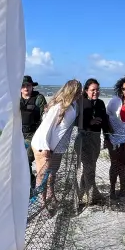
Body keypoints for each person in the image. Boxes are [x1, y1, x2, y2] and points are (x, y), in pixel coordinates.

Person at [31, 79, 82, 209]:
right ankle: (41, 204)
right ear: (71, 92)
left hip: (58, 147)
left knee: (52, 174)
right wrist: (45, 148)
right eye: (78, 91)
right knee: (42, 176)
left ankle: (50, 196)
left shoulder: (73, 105)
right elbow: (45, 127)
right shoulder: (58, 107)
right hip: (44, 146)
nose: (80, 93)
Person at [79, 78, 112, 206]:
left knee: (90, 166)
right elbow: (74, 122)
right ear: (86, 90)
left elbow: (104, 122)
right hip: (83, 138)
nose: (95, 92)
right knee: (89, 167)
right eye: (93, 90)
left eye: (97, 89)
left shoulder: (101, 103)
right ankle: (92, 195)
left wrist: (107, 138)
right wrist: (89, 122)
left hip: (96, 138)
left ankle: (80, 193)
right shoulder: (80, 102)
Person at [20, 75, 47, 189]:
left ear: (32, 86)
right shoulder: (15, 98)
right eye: (23, 86)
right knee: (17, 161)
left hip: (33, 135)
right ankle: (26, 183)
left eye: (28, 85)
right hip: (17, 134)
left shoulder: (38, 98)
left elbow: (44, 118)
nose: (26, 88)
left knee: (26, 159)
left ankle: (30, 185)